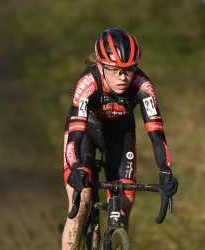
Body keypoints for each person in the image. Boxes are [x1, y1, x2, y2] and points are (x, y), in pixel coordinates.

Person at [61, 27, 179, 250]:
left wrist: (165, 170)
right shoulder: (88, 83)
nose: (123, 77)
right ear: (100, 65)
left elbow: (157, 136)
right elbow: (75, 135)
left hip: (120, 135)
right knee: (81, 204)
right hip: (86, 132)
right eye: (115, 70)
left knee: (123, 210)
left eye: (130, 69)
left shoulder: (143, 86)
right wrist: (75, 166)